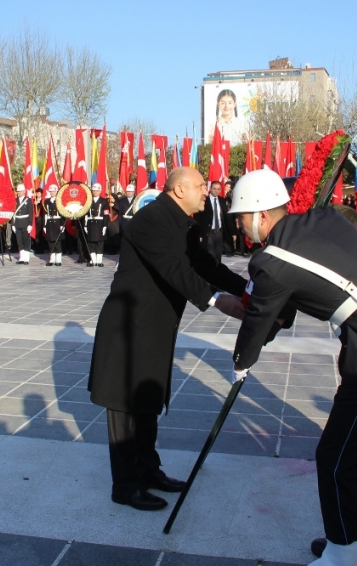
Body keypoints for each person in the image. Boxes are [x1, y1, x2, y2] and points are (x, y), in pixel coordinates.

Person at [227, 169, 357, 566]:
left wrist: (242, 362)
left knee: (337, 456)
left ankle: (341, 556)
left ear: (260, 215)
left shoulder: (270, 261)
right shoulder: (324, 218)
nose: (239, 226)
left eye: (240, 217)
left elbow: (260, 318)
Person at [88, 166, 247, 512]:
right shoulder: (152, 219)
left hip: (154, 327)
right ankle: (125, 485)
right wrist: (218, 301)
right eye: (201, 185)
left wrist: (248, 287)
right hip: (129, 325)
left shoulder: (182, 224)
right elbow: (174, 269)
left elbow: (206, 266)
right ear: (178, 190)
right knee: (124, 406)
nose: (207, 190)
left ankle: (148, 470)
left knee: (147, 402)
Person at [194, 181, 229, 264]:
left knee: (218, 255)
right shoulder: (204, 200)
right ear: (210, 189)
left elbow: (226, 217)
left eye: (218, 189)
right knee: (210, 254)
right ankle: (210, 273)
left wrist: (233, 232)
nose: (216, 191)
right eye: (214, 189)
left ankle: (217, 273)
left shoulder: (222, 201)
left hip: (219, 232)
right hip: (208, 232)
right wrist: (200, 234)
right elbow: (198, 218)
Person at [85, 183, 109, 267]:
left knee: (99, 243)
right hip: (90, 223)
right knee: (91, 243)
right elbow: (86, 214)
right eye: (94, 190)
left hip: (100, 224)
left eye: (97, 190)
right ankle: (93, 260)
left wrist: (105, 226)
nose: (95, 192)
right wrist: (85, 225)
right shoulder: (88, 200)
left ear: (100, 191)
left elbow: (106, 214)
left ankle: (99, 260)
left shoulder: (104, 201)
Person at [12, 184, 34, 265]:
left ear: (24, 191)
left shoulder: (28, 200)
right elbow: (13, 214)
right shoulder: (14, 201)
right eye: (18, 191)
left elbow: (31, 213)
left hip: (25, 223)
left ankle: (26, 258)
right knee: (19, 241)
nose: (20, 193)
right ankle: (21, 257)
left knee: (26, 241)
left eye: (21, 191)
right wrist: (13, 224)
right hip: (17, 223)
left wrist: (30, 224)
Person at [43, 186, 64, 266]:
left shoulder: (59, 201)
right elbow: (44, 214)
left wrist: (62, 224)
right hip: (49, 223)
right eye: (50, 191)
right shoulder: (46, 202)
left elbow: (63, 214)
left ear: (56, 192)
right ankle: (52, 259)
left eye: (53, 191)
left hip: (57, 223)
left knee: (57, 242)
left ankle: (58, 259)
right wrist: (44, 225)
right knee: (50, 242)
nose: (52, 193)